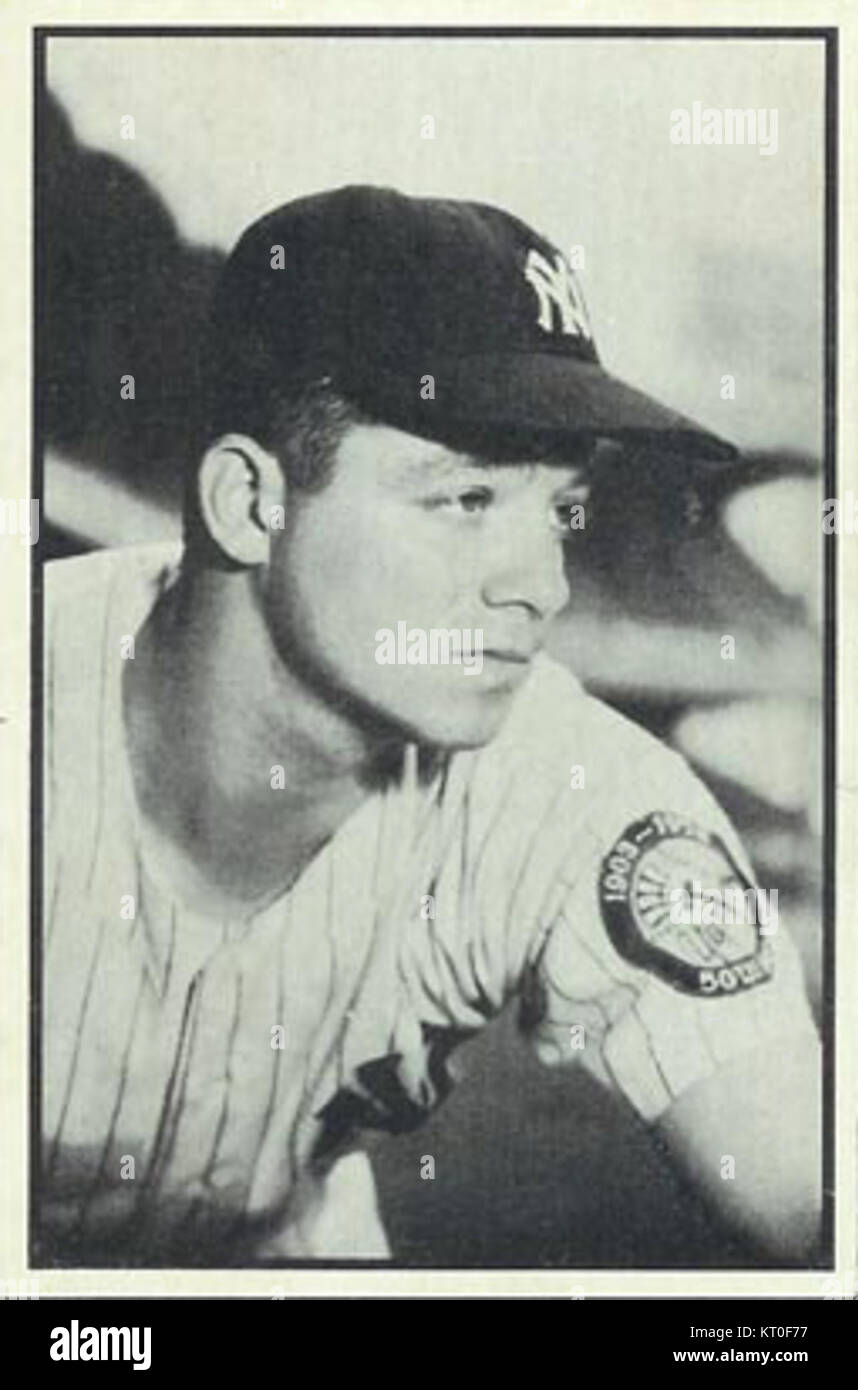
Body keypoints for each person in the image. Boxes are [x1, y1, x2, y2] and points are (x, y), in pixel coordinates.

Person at [41, 185, 821, 1265]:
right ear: (247, 503)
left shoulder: (564, 786)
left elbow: (801, 1191)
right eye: (465, 501)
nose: (543, 586)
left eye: (557, 508)